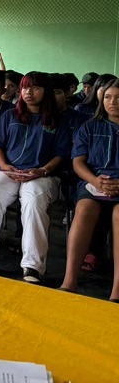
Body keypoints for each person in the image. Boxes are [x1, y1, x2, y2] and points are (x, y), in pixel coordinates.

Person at [0, 72, 70, 284]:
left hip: (41, 175)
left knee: (33, 202)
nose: (28, 92)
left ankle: (33, 266)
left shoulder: (57, 120)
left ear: (46, 91)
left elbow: (60, 154)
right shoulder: (9, 116)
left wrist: (41, 170)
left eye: (35, 88)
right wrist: (5, 167)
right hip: (9, 171)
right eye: (25, 88)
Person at [60, 79, 119, 301]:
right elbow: (78, 163)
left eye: (118, 98)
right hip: (93, 183)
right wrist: (95, 181)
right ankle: (69, 282)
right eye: (108, 97)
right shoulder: (90, 126)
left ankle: (116, 292)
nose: (112, 102)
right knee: (84, 210)